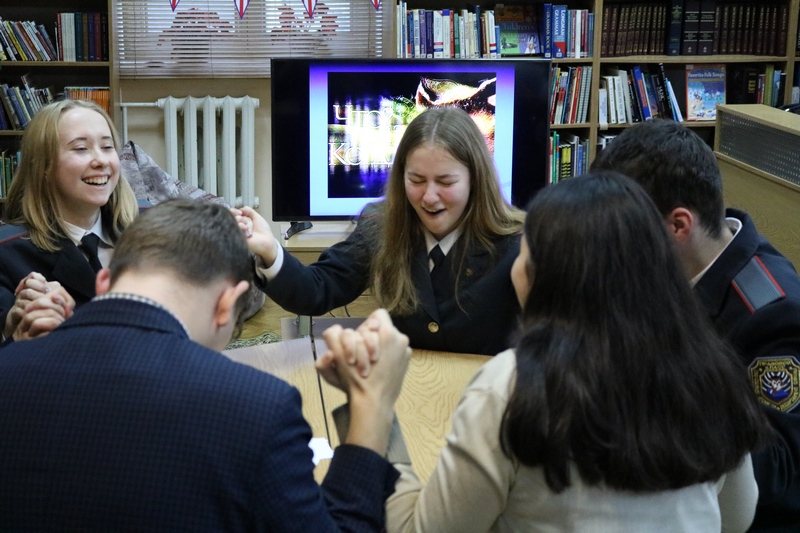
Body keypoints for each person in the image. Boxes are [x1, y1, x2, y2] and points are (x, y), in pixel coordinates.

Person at [323, 172, 770, 532]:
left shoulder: (513, 384)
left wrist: (374, 406)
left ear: (540, 278)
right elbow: (737, 518)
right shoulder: (714, 370)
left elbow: (421, 529)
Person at [0, 198, 411, 531]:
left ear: (104, 282)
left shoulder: (9, 367)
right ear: (226, 305)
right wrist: (371, 407)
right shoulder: (258, 408)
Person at [590, 119, 800, 532]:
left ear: (678, 226)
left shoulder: (773, 312)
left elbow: (779, 476)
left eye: (624, 228)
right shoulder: (664, 266)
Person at [236, 107, 525, 355]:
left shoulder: (518, 244)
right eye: (416, 180)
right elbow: (317, 290)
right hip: (406, 385)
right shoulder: (380, 226)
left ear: (475, 180)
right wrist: (271, 251)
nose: (429, 197)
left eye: (446, 182)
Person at [0, 99, 140, 340]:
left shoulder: (152, 232)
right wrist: (14, 333)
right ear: (44, 165)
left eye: (107, 147)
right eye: (81, 149)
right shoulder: (7, 253)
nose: (101, 161)